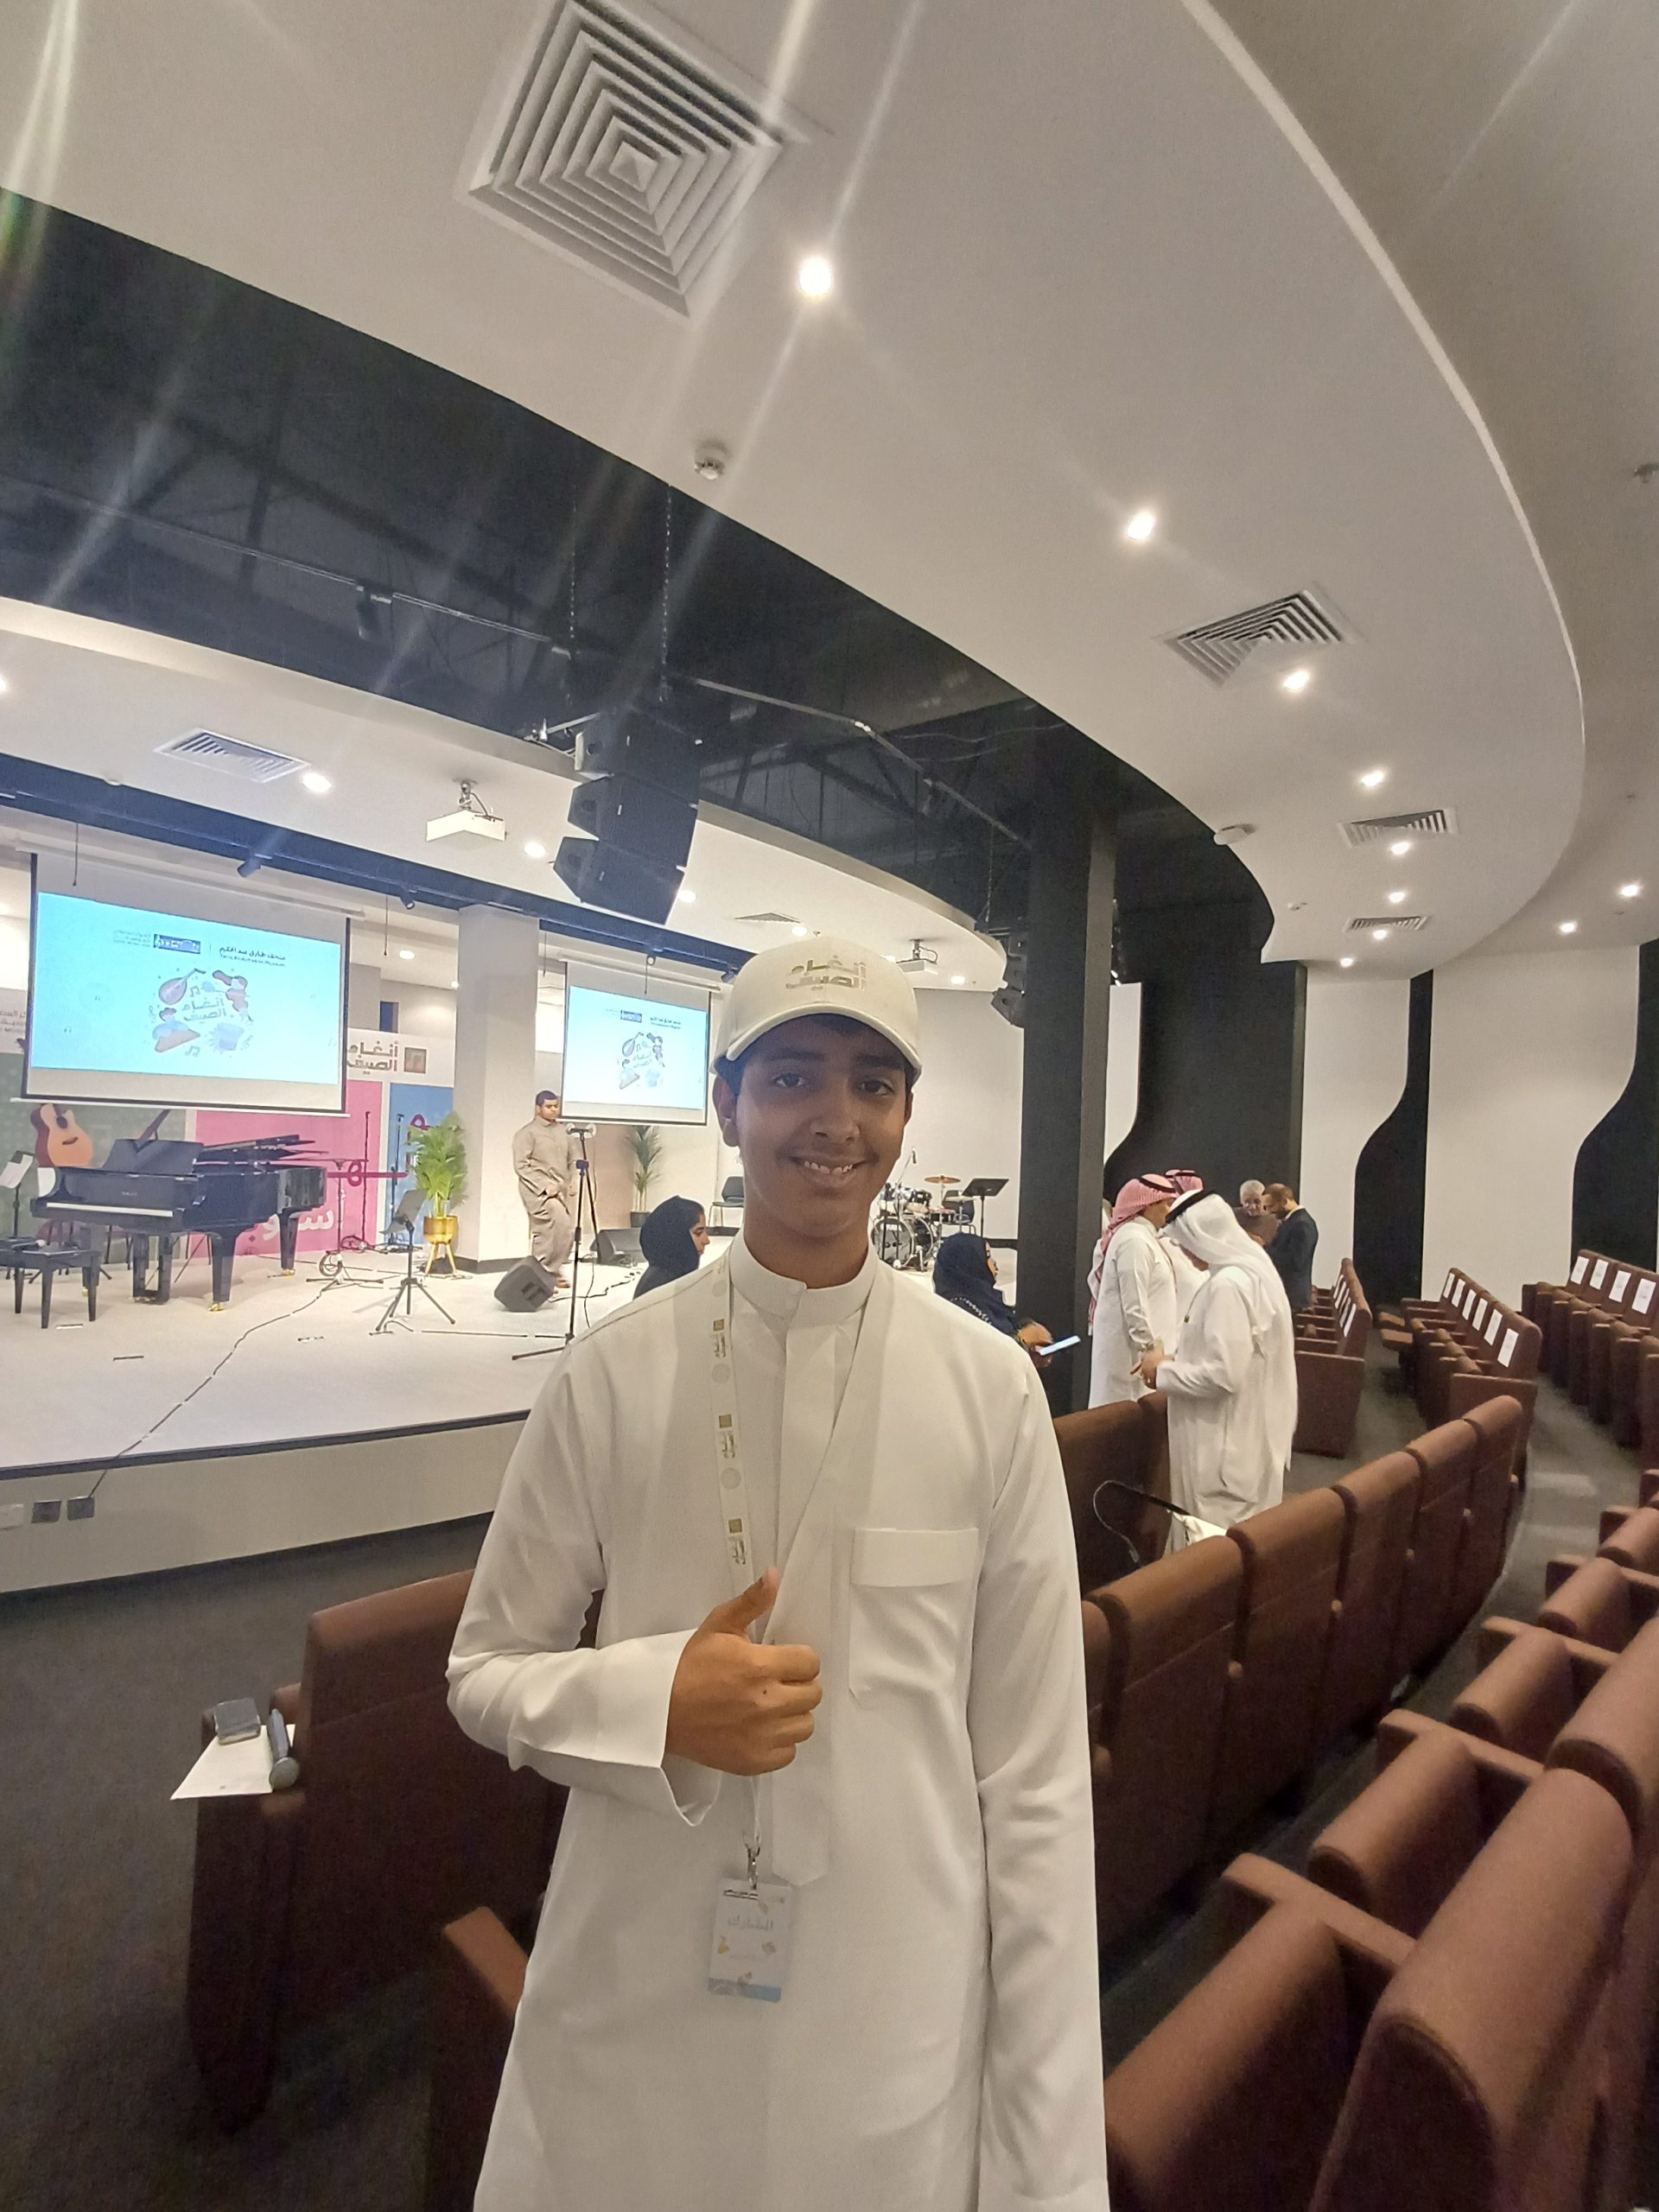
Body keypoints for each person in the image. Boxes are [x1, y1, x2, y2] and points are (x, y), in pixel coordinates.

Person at [448, 935, 1106, 2212]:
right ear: (726, 1104)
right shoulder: (614, 1372)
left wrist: (1049, 2181)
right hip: (636, 1995)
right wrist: (652, 1703)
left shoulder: (989, 1390)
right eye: (794, 1076)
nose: (836, 1118)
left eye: (873, 1083)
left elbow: (1035, 1785)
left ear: (905, 1116)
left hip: (892, 2019)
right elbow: (485, 1670)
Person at [1137, 1191, 1297, 1529]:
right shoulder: (1247, 1271)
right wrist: (1176, 1359)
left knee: (1213, 1546)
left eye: (1185, 1243)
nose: (1184, 1253)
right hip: (1238, 1440)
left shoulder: (1228, 1286)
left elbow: (1223, 1375)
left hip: (1221, 1453)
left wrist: (1162, 1371)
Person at [1088, 1173, 1182, 1408]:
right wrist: (1148, 1348)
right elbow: (1134, 1303)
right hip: (1132, 1361)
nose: (1170, 1210)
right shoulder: (1133, 1240)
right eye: (1166, 1203)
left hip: (1147, 1361)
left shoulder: (1145, 1237)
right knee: (1119, 1419)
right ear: (1148, 1205)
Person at [931, 1230, 1052, 1354]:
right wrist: (1023, 1339)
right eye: (987, 1256)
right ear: (971, 1262)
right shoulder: (962, 1309)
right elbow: (988, 1353)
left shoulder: (983, 1302)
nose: (994, 1262)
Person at [512, 1090, 579, 1284]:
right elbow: (521, 1166)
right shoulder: (527, 1133)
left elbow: (574, 1158)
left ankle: (552, 1271)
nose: (554, 1110)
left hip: (561, 1189)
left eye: (556, 1106)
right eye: (549, 1107)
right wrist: (544, 1186)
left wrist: (574, 1179)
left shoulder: (564, 1132)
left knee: (564, 1231)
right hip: (538, 1191)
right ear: (538, 1109)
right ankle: (541, 1274)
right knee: (550, 1228)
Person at [633, 1195, 709, 1299]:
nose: (706, 1241)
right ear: (676, 1236)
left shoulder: (668, 1275)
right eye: (698, 1233)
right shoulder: (665, 1288)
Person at [1262, 1182, 1319, 1313]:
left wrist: (1264, 1249)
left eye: (1271, 1206)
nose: (1269, 1211)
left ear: (1284, 1201)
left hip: (1293, 1296)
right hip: (1285, 1292)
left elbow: (1295, 1262)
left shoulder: (1302, 1225)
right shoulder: (1294, 1221)